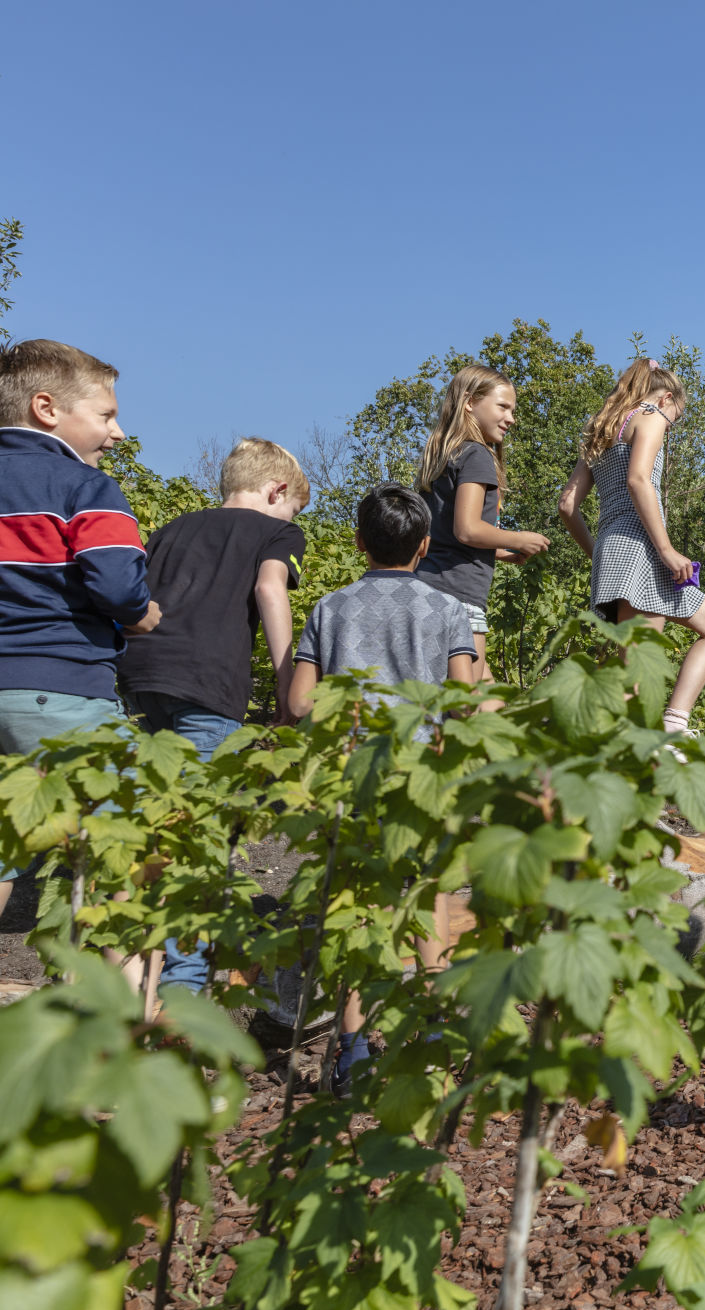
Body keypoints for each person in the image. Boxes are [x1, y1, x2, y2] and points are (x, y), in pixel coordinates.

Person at [288, 482, 477, 1096]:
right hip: (420, 781)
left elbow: (299, 702)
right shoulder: (448, 610)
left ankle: (353, 1051)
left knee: (356, 906)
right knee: (426, 902)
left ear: (357, 542)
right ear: (426, 545)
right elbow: (463, 703)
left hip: (351, 777)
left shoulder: (328, 608)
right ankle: (429, 1037)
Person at [118, 436, 310, 993]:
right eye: (294, 506)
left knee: (158, 823)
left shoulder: (172, 527)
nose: (293, 516)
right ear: (277, 492)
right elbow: (271, 589)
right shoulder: (277, 532)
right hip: (208, 687)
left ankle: (136, 968)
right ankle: (182, 988)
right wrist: (285, 679)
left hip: (144, 679)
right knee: (200, 838)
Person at [0, 340, 161, 923]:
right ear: (47, 409)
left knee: (5, 847)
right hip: (62, 688)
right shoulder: (85, 487)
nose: (117, 432)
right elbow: (117, 581)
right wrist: (139, 611)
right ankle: (107, 1000)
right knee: (133, 843)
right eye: (106, 415)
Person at [559, 357, 705, 734]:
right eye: (676, 419)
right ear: (666, 397)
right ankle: (571, 740)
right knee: (636, 683)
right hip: (642, 547)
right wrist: (667, 550)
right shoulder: (650, 415)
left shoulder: (601, 429)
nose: (670, 427)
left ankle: (673, 722)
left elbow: (567, 506)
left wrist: (599, 555)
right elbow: (639, 480)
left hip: (615, 549)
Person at [415, 365, 551, 681]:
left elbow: (447, 534)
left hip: (428, 588)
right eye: (502, 406)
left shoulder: (445, 454)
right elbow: (467, 528)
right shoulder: (477, 455)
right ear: (470, 402)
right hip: (459, 597)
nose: (511, 418)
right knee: (465, 708)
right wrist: (517, 539)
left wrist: (501, 552)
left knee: (492, 706)